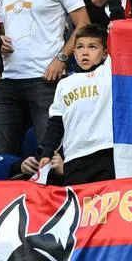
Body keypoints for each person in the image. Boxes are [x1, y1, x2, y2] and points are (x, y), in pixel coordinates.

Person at [0, 0, 88, 156]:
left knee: (50, 153)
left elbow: (83, 24)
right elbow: (5, 30)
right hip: (7, 80)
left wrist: (62, 58)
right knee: (0, 155)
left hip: (45, 78)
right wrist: (0, 41)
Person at [26, 24, 115, 185]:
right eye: (80, 47)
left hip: (105, 152)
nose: (85, 52)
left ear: (104, 54)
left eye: (92, 47)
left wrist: (114, 7)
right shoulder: (64, 84)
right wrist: (47, 153)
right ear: (73, 53)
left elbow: (119, 40)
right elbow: (55, 124)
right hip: (74, 157)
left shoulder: (108, 74)